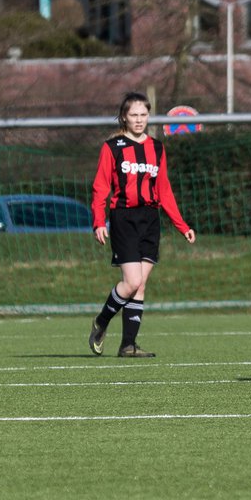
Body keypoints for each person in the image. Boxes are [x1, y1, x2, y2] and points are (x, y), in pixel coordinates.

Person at [88, 91, 197, 358]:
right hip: (124, 218)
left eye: (143, 115)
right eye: (133, 115)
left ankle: (128, 345)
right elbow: (101, 187)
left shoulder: (157, 148)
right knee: (132, 281)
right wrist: (98, 221)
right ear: (124, 117)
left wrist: (181, 225)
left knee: (141, 284)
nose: (139, 120)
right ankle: (101, 322)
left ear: (149, 116)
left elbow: (164, 190)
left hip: (150, 220)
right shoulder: (112, 148)